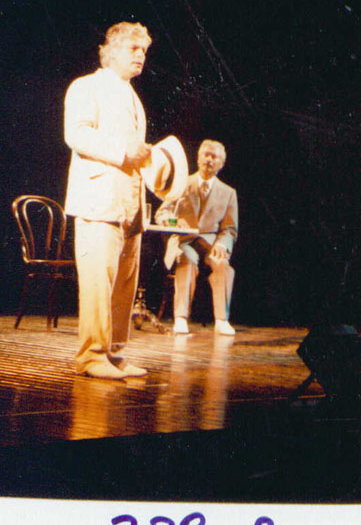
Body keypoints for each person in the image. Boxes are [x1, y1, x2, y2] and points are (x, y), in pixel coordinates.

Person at [64, 21, 188, 379]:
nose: (141, 56)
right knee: (99, 284)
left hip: (130, 204)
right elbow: (76, 134)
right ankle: (91, 357)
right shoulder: (86, 86)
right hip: (99, 201)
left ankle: (115, 354)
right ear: (111, 50)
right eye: (134, 49)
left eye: (144, 51)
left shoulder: (132, 96)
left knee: (124, 285)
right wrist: (123, 152)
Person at [155, 139, 238, 335]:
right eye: (205, 155)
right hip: (184, 241)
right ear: (199, 158)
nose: (209, 160)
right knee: (187, 260)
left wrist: (222, 245)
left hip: (210, 242)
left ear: (221, 163)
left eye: (214, 157)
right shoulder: (182, 184)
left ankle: (222, 320)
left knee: (223, 265)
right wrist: (173, 222)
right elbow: (162, 213)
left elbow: (229, 228)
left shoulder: (228, 193)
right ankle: (181, 318)